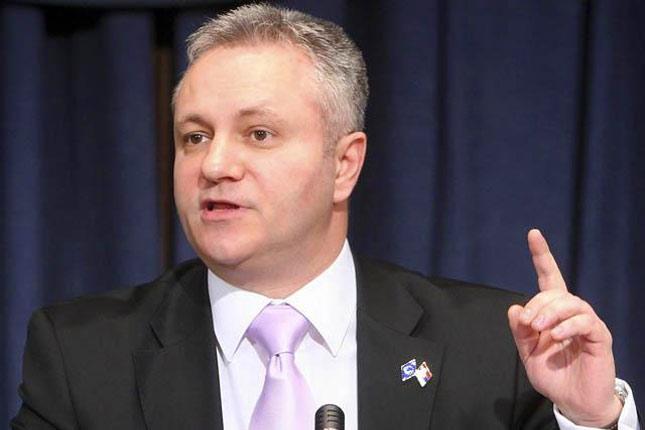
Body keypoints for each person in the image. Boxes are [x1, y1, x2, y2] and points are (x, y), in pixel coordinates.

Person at [11, 4, 640, 430]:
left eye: (258, 134)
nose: (214, 165)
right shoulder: (81, 358)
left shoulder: (496, 348)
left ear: (345, 164)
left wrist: (592, 422)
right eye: (194, 137)